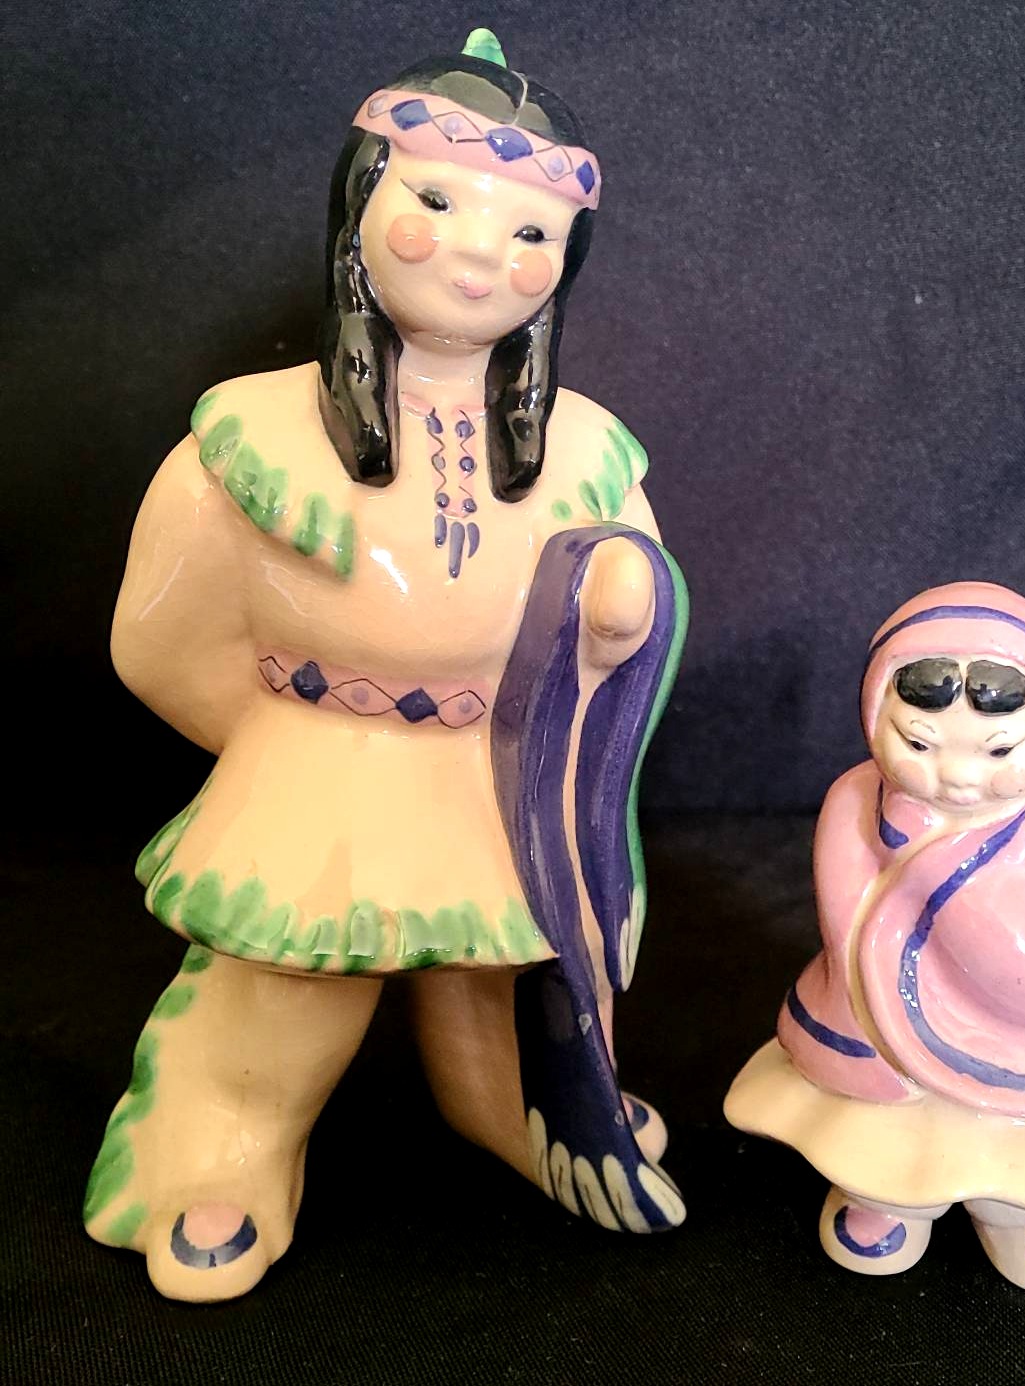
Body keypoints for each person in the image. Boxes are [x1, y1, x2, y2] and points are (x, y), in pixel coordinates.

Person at [84, 29, 687, 1303]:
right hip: (324, 767)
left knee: (510, 968)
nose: (481, 251)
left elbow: (626, 604)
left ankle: (516, 1108)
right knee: (291, 985)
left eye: (531, 231)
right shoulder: (248, 441)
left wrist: (613, 622)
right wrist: (286, 748)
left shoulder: (585, 452)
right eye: (438, 202)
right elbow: (161, 644)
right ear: (360, 203)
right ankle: (221, 1139)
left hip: (502, 774)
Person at [725, 581, 1025, 1297]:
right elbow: (847, 930)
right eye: (918, 743)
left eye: (999, 749)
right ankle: (887, 1196)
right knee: (872, 1130)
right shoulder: (853, 802)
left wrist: (932, 874)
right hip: (877, 1025)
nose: (956, 775)